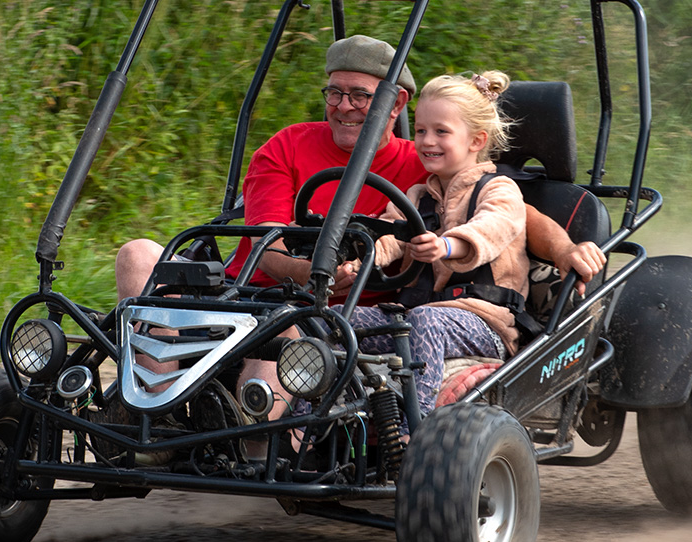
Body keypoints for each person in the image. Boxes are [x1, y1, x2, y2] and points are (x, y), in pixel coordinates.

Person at [113, 35, 428, 418]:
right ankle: (155, 407)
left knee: (283, 323)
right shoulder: (288, 144)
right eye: (334, 93)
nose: (344, 107)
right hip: (243, 293)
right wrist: (315, 273)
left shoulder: (422, 166)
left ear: (395, 103)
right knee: (137, 255)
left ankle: (247, 434)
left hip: (325, 317)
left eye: (360, 96)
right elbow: (267, 249)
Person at [349, 70, 604, 419]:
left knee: (425, 321)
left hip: (488, 322)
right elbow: (391, 234)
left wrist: (447, 246)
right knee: (334, 323)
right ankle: (303, 435)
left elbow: (490, 230)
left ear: (476, 141)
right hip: (419, 316)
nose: (426, 141)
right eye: (421, 130)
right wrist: (363, 258)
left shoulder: (499, 190)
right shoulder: (418, 195)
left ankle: (414, 432)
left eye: (441, 132)